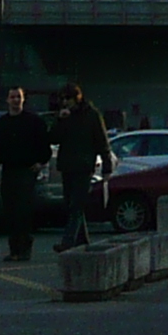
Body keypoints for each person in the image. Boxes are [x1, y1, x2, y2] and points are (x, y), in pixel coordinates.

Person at [0, 85, 52, 262]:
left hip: (26, 171)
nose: (16, 100)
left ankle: (24, 248)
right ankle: (14, 249)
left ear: (23, 99)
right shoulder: (1, 124)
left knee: (23, 211)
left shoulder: (34, 122)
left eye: (18, 97)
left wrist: (40, 162)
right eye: (12, 97)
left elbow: (45, 147)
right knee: (10, 211)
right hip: (8, 171)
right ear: (7, 100)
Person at [51, 83, 111, 252]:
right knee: (71, 204)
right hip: (67, 165)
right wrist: (60, 120)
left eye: (68, 98)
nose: (65, 102)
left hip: (84, 166)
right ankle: (82, 241)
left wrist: (107, 166)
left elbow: (102, 141)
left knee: (76, 205)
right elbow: (53, 138)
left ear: (77, 98)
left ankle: (68, 241)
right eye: (63, 99)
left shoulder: (91, 115)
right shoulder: (65, 116)